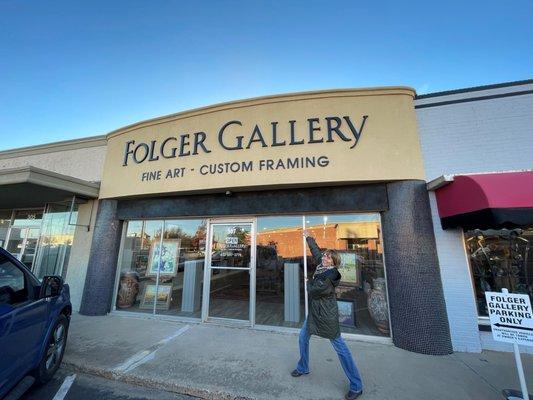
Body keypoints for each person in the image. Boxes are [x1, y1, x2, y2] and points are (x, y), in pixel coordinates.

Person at [291, 230, 363, 400]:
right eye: (325, 256)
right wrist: (308, 237)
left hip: (326, 315)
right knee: (303, 337)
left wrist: (308, 283)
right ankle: (303, 367)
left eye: (328, 258)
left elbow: (315, 291)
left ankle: (356, 385)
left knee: (340, 348)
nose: (324, 258)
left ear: (334, 262)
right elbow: (316, 252)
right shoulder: (321, 266)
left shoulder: (331, 275)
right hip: (315, 313)